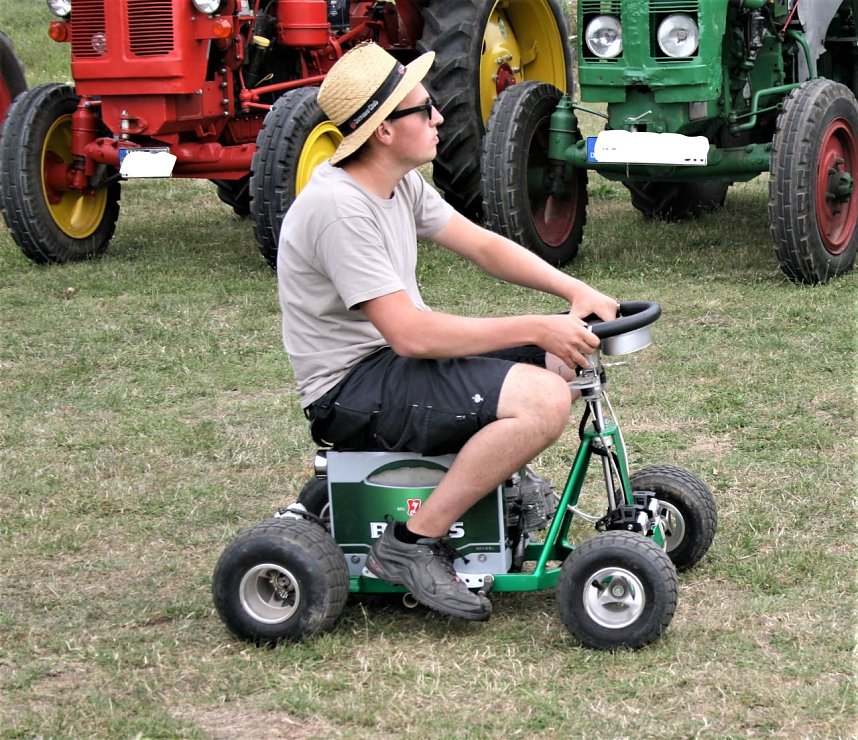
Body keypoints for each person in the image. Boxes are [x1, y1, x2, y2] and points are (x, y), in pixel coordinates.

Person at [277, 42, 618, 622]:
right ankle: (409, 545)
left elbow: (481, 245)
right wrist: (540, 325)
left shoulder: (396, 182)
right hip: (349, 388)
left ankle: (493, 492)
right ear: (383, 130)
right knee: (543, 401)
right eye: (423, 108)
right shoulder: (340, 209)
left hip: (389, 364)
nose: (439, 118)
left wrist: (571, 292)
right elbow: (411, 335)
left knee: (563, 360)